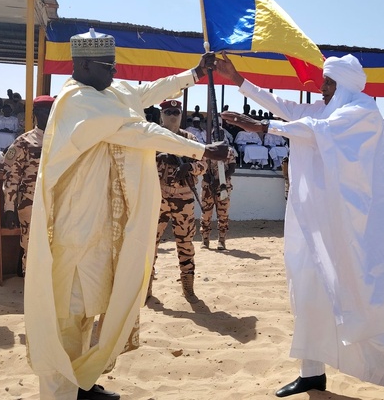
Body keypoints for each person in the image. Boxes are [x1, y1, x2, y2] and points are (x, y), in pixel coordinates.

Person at [22, 30, 229, 400]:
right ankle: (58, 392)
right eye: (108, 67)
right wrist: (199, 150)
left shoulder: (107, 92)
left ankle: (82, 384)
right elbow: (137, 131)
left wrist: (193, 75)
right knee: (67, 314)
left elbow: (147, 92)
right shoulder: (78, 101)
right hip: (74, 226)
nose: (114, 73)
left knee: (88, 310)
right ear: (83, 65)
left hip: (101, 226)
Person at [217, 53, 384, 400]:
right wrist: (238, 79)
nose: (321, 87)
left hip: (359, 227)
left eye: (328, 83)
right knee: (308, 290)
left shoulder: (362, 111)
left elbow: (320, 132)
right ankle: (312, 374)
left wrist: (262, 126)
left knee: (373, 299)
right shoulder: (322, 109)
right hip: (316, 224)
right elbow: (283, 105)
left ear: (345, 85)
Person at [152, 99, 207, 304]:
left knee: (185, 243)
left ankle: (188, 286)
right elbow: (139, 160)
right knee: (151, 243)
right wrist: (161, 157)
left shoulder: (190, 139)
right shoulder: (153, 136)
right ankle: (146, 285)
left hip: (183, 198)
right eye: (168, 112)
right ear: (161, 116)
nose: (173, 115)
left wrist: (189, 169)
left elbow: (204, 164)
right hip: (157, 197)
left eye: (176, 112)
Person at [2, 95, 54, 274]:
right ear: (36, 114)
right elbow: (12, 177)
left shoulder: (63, 140)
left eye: (51, 111)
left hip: (58, 203)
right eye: (43, 112)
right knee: (31, 246)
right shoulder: (24, 142)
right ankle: (31, 288)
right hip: (30, 204)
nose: (47, 115)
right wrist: (9, 208)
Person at [200, 143, 237, 250]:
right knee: (206, 214)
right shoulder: (206, 150)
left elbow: (232, 168)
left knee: (223, 214)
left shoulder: (229, 151)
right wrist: (207, 178)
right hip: (208, 187)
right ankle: (205, 239)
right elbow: (201, 166)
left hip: (223, 186)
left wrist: (219, 180)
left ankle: (221, 240)